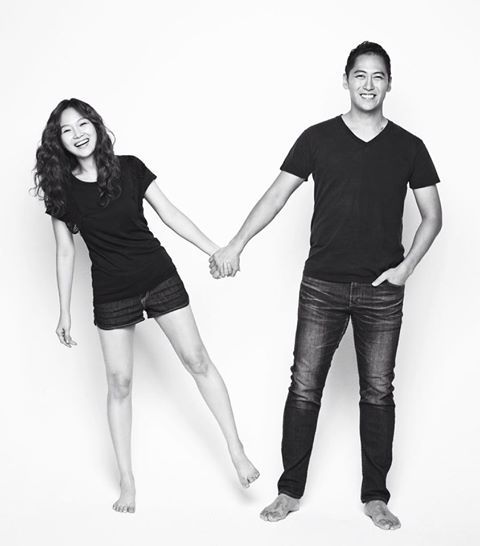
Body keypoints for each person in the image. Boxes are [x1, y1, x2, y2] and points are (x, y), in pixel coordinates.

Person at [209, 41, 442, 530]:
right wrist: (235, 244)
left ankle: (375, 497)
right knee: (304, 386)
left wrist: (405, 268)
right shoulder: (317, 138)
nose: (368, 84)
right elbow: (275, 196)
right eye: (360, 75)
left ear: (389, 84)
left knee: (378, 391)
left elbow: (432, 216)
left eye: (378, 76)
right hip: (322, 286)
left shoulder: (410, 146)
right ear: (346, 80)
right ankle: (289, 492)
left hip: (382, 290)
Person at [33, 98, 259, 514]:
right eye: (67, 130)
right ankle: (127, 479)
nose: (78, 134)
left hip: (158, 277)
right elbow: (65, 252)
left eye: (83, 124)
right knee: (119, 384)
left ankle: (236, 449)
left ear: (96, 126)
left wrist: (216, 249)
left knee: (197, 360)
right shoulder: (62, 190)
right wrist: (64, 311)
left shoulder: (130, 168)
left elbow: (171, 214)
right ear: (59, 141)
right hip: (111, 292)